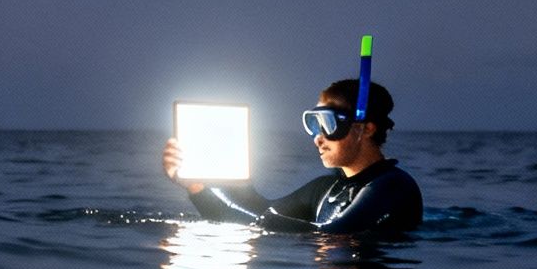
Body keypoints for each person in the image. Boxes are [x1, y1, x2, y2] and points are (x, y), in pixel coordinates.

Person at [163, 79, 422, 234]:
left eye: (327, 123)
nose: (317, 137)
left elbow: (330, 235)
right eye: (313, 124)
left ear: (365, 129)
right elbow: (262, 212)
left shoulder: (392, 187)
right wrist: (196, 186)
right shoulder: (325, 190)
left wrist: (261, 224)